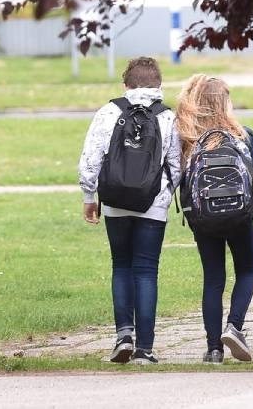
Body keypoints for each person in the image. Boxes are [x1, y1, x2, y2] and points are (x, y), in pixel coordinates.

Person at [78, 56, 181, 365]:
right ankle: (145, 349)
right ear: (159, 86)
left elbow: (91, 158)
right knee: (147, 271)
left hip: (114, 202)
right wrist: (163, 195)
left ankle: (124, 335)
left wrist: (89, 195)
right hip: (153, 204)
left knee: (121, 265)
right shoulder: (167, 117)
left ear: (126, 84)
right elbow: (177, 165)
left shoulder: (109, 111)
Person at [175, 74, 253, 363]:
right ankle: (235, 327)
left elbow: (182, 183)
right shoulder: (243, 135)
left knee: (213, 278)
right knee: (247, 270)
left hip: (204, 220)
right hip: (240, 217)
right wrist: (249, 210)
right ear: (225, 103)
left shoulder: (188, 140)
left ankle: (214, 348)